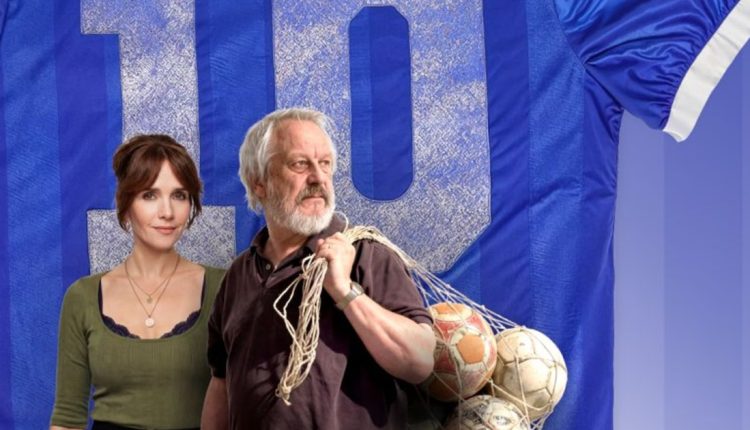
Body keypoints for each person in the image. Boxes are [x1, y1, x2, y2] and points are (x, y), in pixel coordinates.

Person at [201, 108, 436, 429]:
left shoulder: (365, 254)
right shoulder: (239, 275)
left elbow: (419, 362)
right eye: (300, 164)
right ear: (259, 183)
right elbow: (221, 383)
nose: (318, 178)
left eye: (325, 163)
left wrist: (345, 291)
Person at [50, 135, 226, 430]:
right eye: (149, 195)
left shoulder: (225, 288)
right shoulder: (82, 297)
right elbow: (68, 418)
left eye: (179, 195)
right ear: (126, 202)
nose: (167, 212)